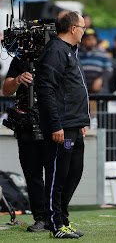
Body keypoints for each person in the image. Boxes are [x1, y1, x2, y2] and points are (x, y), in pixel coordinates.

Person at [35, 11, 90, 239]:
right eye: (83, 27)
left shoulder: (69, 51)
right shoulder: (56, 50)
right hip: (62, 126)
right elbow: (46, 89)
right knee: (59, 176)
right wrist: (57, 124)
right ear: (72, 28)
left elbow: (72, 89)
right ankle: (56, 223)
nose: (85, 31)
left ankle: (62, 218)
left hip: (74, 124)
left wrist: (81, 121)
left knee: (74, 172)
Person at [2, 57, 51, 232]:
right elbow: (6, 89)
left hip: (52, 123)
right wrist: (17, 80)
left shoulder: (59, 54)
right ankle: (40, 217)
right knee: (32, 174)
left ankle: (56, 216)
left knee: (56, 173)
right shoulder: (21, 58)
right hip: (27, 124)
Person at [79, 28, 113, 93]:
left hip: (99, 91)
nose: (91, 41)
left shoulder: (103, 54)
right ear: (83, 40)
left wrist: (101, 79)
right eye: (89, 39)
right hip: (82, 91)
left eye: (93, 39)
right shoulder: (78, 54)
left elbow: (109, 70)